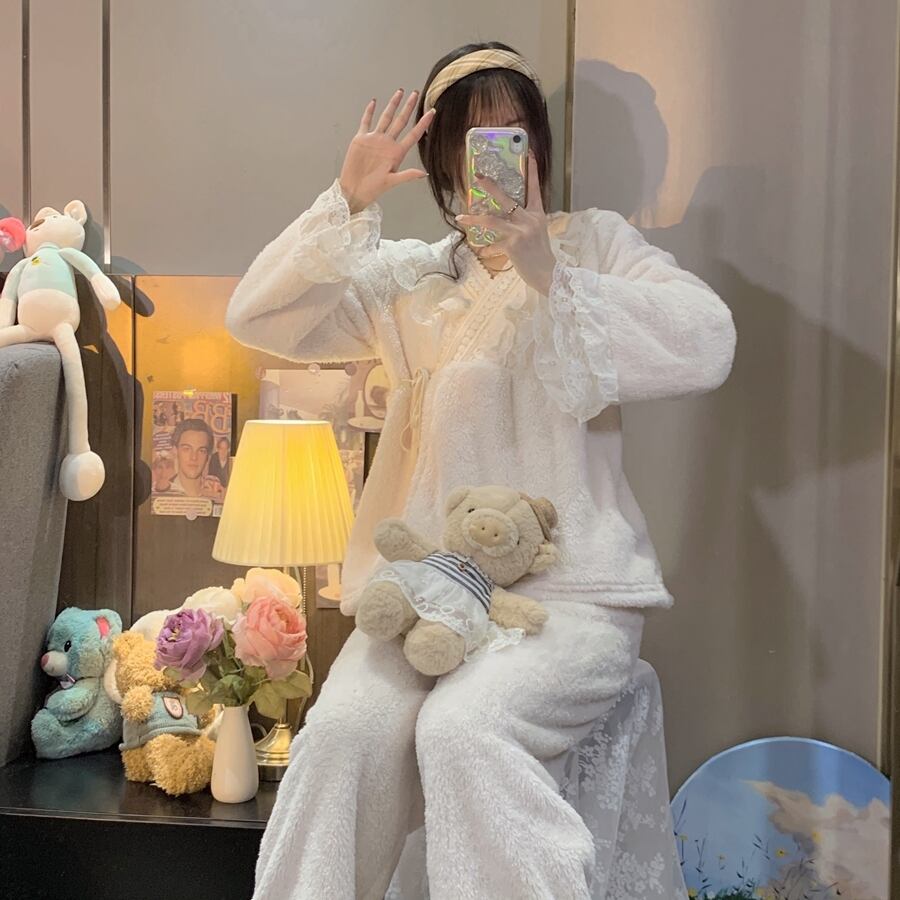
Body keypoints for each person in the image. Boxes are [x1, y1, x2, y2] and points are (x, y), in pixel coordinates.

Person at [227, 41, 736, 900]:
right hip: (432, 594)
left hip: (574, 597)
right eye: (472, 140)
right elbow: (258, 317)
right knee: (344, 734)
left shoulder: (594, 246)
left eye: (512, 135)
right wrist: (346, 200)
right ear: (440, 160)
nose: (494, 160)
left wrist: (547, 272)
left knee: (465, 729)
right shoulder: (411, 281)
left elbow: (706, 341)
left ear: (538, 146)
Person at [168, 418, 224, 500]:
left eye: (201, 451)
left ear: (208, 457)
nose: (194, 457)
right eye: (187, 449)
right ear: (175, 451)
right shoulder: (161, 493)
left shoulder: (217, 494)